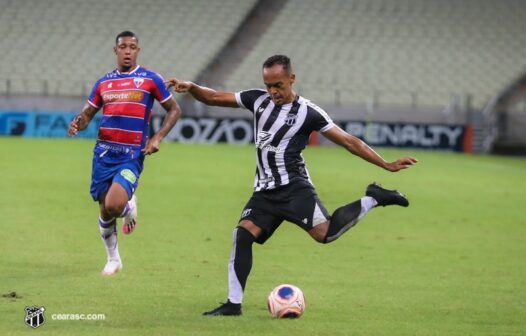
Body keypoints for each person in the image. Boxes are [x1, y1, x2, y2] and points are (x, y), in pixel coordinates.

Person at [166, 54, 418, 316]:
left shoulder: (309, 112)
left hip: (294, 187)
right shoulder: (257, 100)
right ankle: (233, 304)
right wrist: (193, 87)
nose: (273, 91)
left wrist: (386, 164)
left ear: (291, 79)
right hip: (264, 190)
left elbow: (349, 141)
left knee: (325, 234)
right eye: (268, 85)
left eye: (278, 85)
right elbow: (214, 97)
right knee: (242, 235)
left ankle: (374, 197)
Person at [68, 31, 181, 276]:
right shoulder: (103, 82)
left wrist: (157, 137)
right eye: (123, 47)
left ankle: (129, 205)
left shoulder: (150, 79)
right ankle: (114, 260)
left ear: (138, 50)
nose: (127, 51)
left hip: (131, 154)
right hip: (103, 153)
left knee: (115, 204)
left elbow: (174, 109)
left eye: (132, 47)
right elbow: (88, 113)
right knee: (104, 209)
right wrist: (79, 121)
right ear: (115, 50)